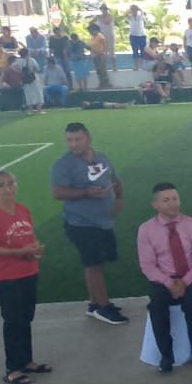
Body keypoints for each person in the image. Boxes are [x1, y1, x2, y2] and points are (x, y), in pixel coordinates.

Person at [49, 122, 127, 325]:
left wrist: (119, 199)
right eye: (69, 140)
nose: (73, 144)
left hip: (103, 221)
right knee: (93, 264)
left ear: (88, 139)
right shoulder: (63, 164)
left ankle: (94, 304)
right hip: (80, 223)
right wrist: (86, 192)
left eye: (78, 139)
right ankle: (104, 307)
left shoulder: (101, 157)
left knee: (98, 263)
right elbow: (57, 192)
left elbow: (114, 179)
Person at [0, 171, 51, 384]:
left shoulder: (22, 209)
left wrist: (35, 250)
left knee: (26, 317)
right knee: (13, 320)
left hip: (28, 271)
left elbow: (29, 237)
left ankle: (26, 361)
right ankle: (12, 369)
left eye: (11, 184)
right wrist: (19, 253)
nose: (8, 189)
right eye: (1, 185)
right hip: (5, 275)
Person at [136, 182, 192, 374]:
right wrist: (169, 283)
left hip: (191, 276)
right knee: (157, 306)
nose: (172, 203)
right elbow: (148, 265)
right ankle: (166, 356)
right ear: (155, 205)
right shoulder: (146, 230)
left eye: (175, 198)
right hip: (164, 279)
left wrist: (185, 282)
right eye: (166, 200)